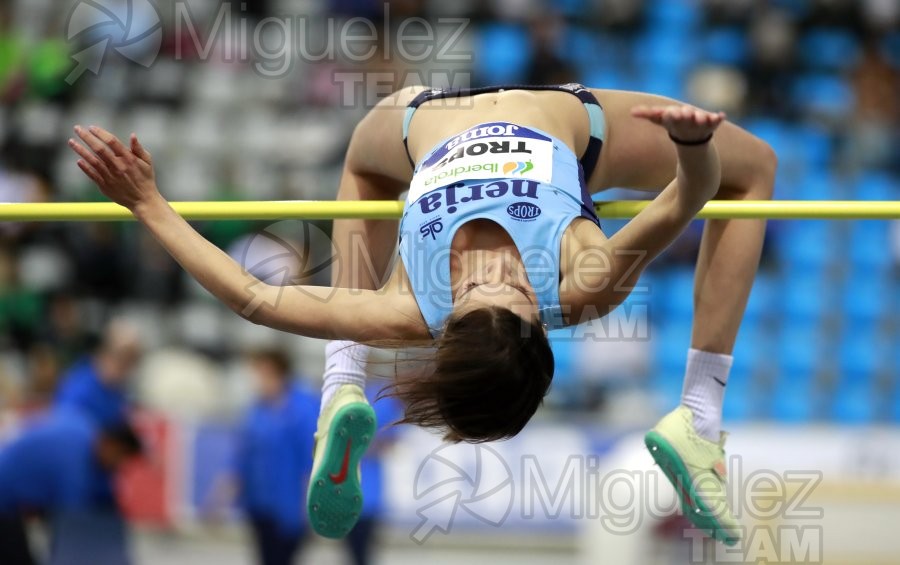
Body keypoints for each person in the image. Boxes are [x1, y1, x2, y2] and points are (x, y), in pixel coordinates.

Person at [68, 83, 776, 545]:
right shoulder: (584, 280)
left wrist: (150, 207)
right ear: (541, 313)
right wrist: (691, 147)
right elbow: (693, 196)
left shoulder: (414, 307)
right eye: (519, 292)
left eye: (481, 289)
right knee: (758, 166)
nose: (496, 273)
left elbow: (256, 298)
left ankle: (342, 383)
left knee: (363, 170)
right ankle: (699, 418)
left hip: (417, 120)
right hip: (563, 122)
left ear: (450, 324)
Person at [0, 406, 142, 565]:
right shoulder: (75, 465)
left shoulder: (83, 428)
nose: (118, 465)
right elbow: (73, 520)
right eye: (120, 458)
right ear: (112, 445)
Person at [235, 349, 317, 565]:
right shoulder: (257, 409)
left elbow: (310, 461)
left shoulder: (302, 409)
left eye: (261, 373)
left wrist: (310, 509)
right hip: (260, 504)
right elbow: (244, 457)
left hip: (289, 508)